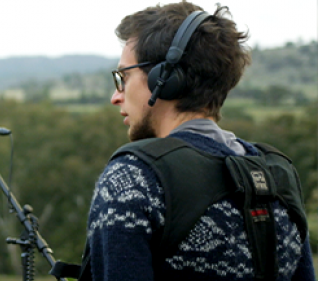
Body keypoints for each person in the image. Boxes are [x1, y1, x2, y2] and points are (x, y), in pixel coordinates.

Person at [79, 1, 317, 281]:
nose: (116, 96)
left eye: (124, 76)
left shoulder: (133, 179)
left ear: (163, 79)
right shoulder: (277, 177)